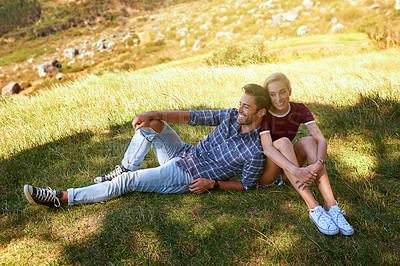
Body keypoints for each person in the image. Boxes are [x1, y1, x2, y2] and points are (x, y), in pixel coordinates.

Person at [24, 84, 270, 208]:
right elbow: (191, 117)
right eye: (240, 104)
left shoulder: (257, 150)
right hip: (186, 153)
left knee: (127, 184)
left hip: (188, 175)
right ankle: (126, 166)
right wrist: (155, 113)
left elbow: (247, 185)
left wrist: (213, 184)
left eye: (245, 107)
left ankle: (61, 198)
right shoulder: (230, 116)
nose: (239, 110)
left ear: (260, 112)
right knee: (150, 124)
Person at [258, 72, 354, 236]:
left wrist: (318, 163)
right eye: (272, 94)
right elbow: (267, 148)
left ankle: (331, 205)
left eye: (282, 92)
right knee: (282, 142)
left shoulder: (299, 109)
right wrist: (298, 171)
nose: (278, 98)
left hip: (289, 171)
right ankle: (313, 207)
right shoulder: (265, 114)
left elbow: (321, 140)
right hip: (268, 172)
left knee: (309, 140)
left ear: (290, 91)